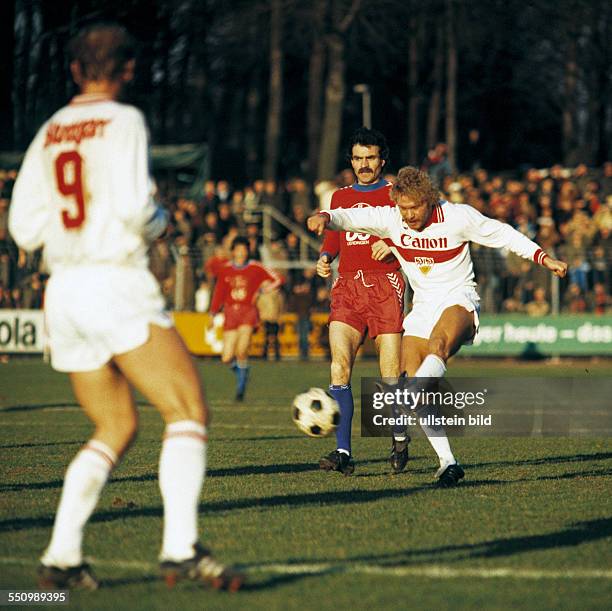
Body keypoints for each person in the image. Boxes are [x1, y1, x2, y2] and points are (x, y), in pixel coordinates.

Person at [8, 22, 242, 591]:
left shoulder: (49, 131)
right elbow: (139, 208)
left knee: (114, 424)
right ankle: (181, 547)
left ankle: (62, 557)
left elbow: (22, 227)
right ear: (130, 70)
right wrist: (161, 222)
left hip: (62, 290)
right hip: (114, 280)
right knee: (187, 409)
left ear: (73, 69)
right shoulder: (124, 120)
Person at [308, 166, 567, 486]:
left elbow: (503, 233)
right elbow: (347, 217)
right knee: (413, 387)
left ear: (430, 201)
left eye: (415, 207)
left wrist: (543, 258)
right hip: (423, 308)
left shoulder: (457, 216)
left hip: (459, 298)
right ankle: (448, 462)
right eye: (403, 208)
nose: (409, 214)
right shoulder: (391, 217)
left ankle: (411, 393)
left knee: (438, 349)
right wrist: (324, 217)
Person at [315, 127, 406, 476]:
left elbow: (414, 230)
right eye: (358, 158)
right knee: (339, 366)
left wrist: (395, 246)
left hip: (386, 285)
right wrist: (325, 257)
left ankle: (399, 435)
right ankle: (343, 452)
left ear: (382, 160)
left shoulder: (397, 194)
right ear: (351, 161)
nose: (364, 164)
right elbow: (335, 237)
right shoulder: (339, 197)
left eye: (370, 158)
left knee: (389, 375)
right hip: (348, 287)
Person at [209, 236, 281, 401]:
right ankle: (243, 373)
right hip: (230, 313)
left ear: (248, 251)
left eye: (244, 250)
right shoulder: (226, 269)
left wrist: (262, 290)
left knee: (242, 350)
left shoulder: (255, 267)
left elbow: (278, 279)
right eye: (238, 250)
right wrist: (212, 313)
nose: (241, 253)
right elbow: (219, 292)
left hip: (248, 311)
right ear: (233, 251)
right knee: (226, 357)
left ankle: (240, 389)